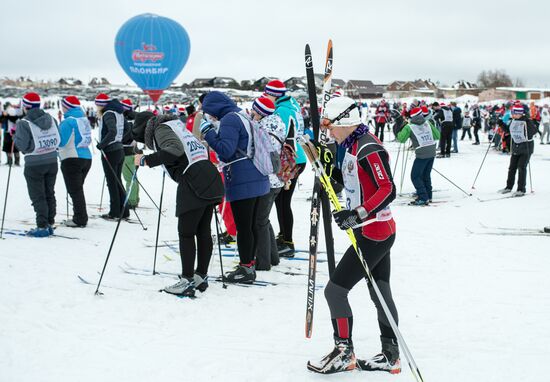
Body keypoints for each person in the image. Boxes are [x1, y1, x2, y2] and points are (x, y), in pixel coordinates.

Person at [307, 96, 400, 374]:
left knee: (335, 291)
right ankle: (390, 354)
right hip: (372, 230)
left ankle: (344, 351)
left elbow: (388, 190)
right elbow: (351, 180)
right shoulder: (349, 145)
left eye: (329, 125)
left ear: (345, 121)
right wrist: (326, 170)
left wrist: (357, 214)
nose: (328, 130)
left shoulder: (369, 148)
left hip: (374, 232)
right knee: (380, 292)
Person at [133, 111, 223, 297]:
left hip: (194, 180)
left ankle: (187, 280)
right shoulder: (176, 125)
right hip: (208, 175)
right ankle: (200, 276)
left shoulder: (159, 128)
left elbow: (174, 151)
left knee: (186, 232)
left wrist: (146, 160)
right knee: (203, 230)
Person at [201, 91, 270, 284]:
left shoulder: (230, 120)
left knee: (243, 227)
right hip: (257, 175)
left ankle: (245, 267)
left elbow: (225, 151)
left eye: (209, 112)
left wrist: (209, 134)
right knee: (251, 225)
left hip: (243, 177)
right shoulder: (241, 115)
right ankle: (250, 264)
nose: (210, 116)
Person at [263, 80, 307, 256]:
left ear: (274, 94)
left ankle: (287, 241)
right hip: (296, 157)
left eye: (267, 94)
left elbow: (279, 136)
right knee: (281, 201)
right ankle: (283, 236)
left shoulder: (281, 110)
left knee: (282, 202)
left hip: (290, 160)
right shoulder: (293, 105)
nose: (266, 97)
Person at [14, 93, 60, 237]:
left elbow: (22, 146)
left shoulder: (24, 123)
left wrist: (16, 137)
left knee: (38, 195)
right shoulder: (52, 119)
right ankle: (49, 222)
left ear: (26, 106)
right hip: (52, 161)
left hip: (34, 163)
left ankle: (42, 226)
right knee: (49, 192)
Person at [249, 96, 286, 270]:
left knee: (259, 221)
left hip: (267, 179)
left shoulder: (261, 128)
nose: (251, 113)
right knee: (264, 219)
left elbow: (257, 153)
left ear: (260, 113)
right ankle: (273, 257)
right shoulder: (277, 122)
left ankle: (263, 262)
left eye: (253, 110)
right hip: (278, 179)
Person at [58, 96, 92, 227]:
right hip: (86, 158)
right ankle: (79, 216)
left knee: (75, 191)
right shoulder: (84, 119)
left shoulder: (68, 122)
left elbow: (61, 141)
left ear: (66, 107)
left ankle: (80, 218)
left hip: (71, 158)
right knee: (78, 190)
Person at [396, 107, 440, 205]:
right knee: (426, 175)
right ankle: (428, 195)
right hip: (432, 151)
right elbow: (437, 136)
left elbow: (401, 139)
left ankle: (423, 197)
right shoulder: (427, 123)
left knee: (415, 176)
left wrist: (399, 127)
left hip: (421, 154)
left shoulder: (409, 126)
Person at [95, 93, 129, 220]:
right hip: (119, 150)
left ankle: (115, 212)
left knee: (112, 182)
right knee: (117, 180)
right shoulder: (118, 112)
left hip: (110, 152)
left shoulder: (108, 113)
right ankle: (124, 211)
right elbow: (127, 129)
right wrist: (120, 141)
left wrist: (102, 144)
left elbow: (112, 131)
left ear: (100, 105)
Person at [498, 104, 537, 197]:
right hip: (516, 147)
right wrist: (501, 124)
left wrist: (528, 122)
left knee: (521, 167)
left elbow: (534, 132)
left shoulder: (526, 121)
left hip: (526, 148)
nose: (512, 115)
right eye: (512, 113)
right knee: (512, 168)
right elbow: (508, 130)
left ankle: (521, 189)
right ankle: (508, 187)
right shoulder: (513, 121)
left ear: (519, 113)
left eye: (514, 113)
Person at [120, 99, 140, 209]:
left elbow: (125, 136)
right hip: (135, 150)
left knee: (129, 177)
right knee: (133, 176)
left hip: (126, 150)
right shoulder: (136, 117)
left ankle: (131, 201)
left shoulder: (125, 119)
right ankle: (135, 199)